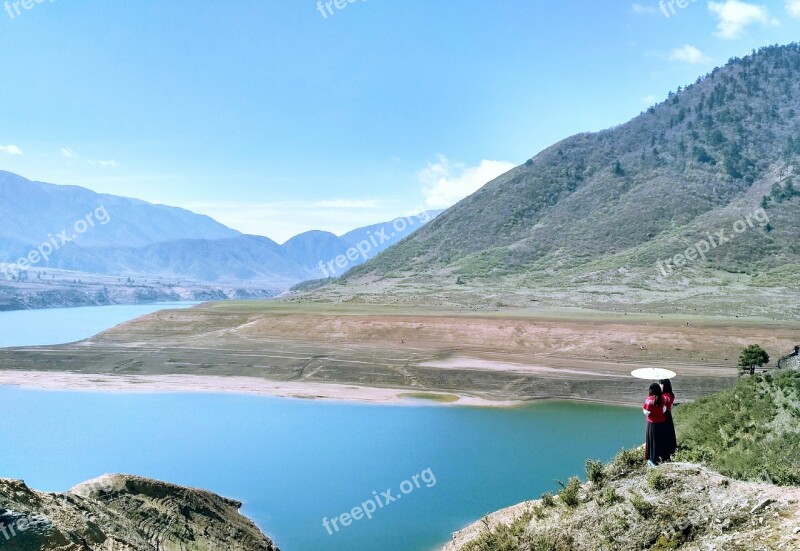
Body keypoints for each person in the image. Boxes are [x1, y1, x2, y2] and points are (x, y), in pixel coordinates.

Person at [643, 382, 669, 466]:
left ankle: (652, 459)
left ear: (651, 390)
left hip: (652, 424)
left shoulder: (649, 399)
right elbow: (664, 410)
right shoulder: (663, 398)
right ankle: (662, 458)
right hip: (661, 423)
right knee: (660, 441)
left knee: (652, 441)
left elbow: (646, 412)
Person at [660, 379, 677, 461]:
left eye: (661, 384)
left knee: (664, 433)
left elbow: (664, 404)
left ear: (664, 385)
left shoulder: (664, 396)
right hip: (668, 415)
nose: (660, 386)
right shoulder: (671, 394)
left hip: (664, 415)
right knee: (669, 433)